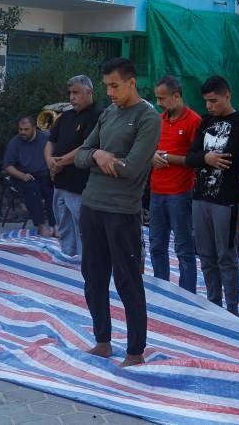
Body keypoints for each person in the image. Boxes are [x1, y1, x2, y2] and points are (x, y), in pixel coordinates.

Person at [74, 58, 160, 367]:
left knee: (127, 280)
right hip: (92, 206)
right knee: (93, 278)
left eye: (115, 86)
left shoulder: (148, 118)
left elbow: (132, 167)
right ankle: (103, 341)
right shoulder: (109, 113)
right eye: (106, 86)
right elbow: (81, 155)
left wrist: (105, 160)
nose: (109, 92)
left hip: (122, 212)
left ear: (131, 82)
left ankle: (135, 351)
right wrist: (98, 154)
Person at [185, 76, 239, 315]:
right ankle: (213, 303)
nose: (209, 106)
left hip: (226, 200)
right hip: (200, 197)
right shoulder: (205, 121)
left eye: (214, 100)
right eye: (206, 101)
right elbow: (191, 157)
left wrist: (206, 158)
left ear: (227, 95)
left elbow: (235, 160)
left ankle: (232, 309)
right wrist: (206, 159)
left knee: (226, 255)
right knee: (206, 254)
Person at [149, 75, 202, 293]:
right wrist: (152, 155)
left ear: (177, 96)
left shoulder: (194, 121)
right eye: (157, 98)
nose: (158, 103)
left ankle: (187, 295)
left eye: (162, 98)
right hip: (156, 191)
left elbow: (197, 159)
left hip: (180, 193)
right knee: (156, 245)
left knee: (183, 248)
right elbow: (148, 148)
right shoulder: (158, 120)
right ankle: (161, 290)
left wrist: (169, 158)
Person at [45, 75, 101, 257]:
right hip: (60, 183)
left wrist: (59, 162)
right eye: (70, 93)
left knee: (82, 228)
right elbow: (50, 142)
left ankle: (84, 264)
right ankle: (68, 259)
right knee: (64, 225)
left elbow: (87, 147)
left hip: (80, 185)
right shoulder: (66, 116)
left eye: (76, 93)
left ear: (89, 92)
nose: (71, 97)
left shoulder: (97, 116)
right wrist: (50, 161)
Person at [2, 116, 55, 237]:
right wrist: (22, 175)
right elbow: (8, 166)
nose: (22, 132)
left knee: (51, 190)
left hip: (44, 174)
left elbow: (55, 155)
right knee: (33, 189)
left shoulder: (46, 138)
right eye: (20, 129)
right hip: (24, 175)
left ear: (34, 128)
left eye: (26, 129)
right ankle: (41, 225)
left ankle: (55, 224)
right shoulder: (14, 142)